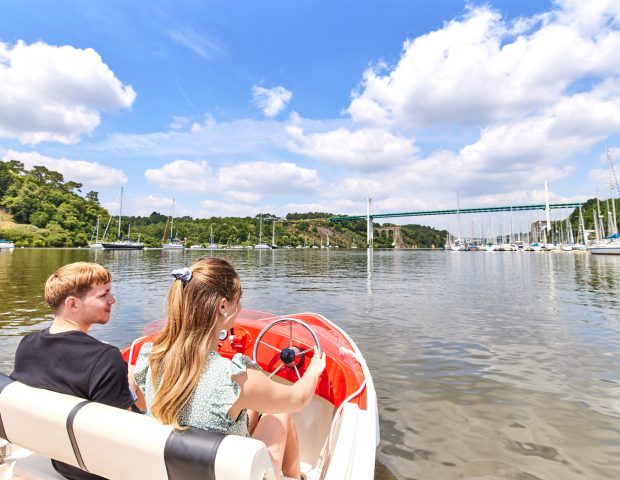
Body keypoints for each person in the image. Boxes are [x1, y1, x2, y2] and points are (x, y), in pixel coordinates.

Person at [134, 257, 325, 480]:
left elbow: (140, 402)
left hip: (174, 470)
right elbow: (298, 398)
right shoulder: (234, 378)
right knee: (279, 414)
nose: (240, 307)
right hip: (228, 473)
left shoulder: (150, 357)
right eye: (238, 300)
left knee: (248, 409)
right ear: (223, 306)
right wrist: (314, 370)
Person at [11, 262, 138, 480]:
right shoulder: (105, 358)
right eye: (103, 295)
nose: (112, 300)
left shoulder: (27, 343)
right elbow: (120, 438)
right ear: (73, 304)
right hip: (92, 469)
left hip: (57, 454)